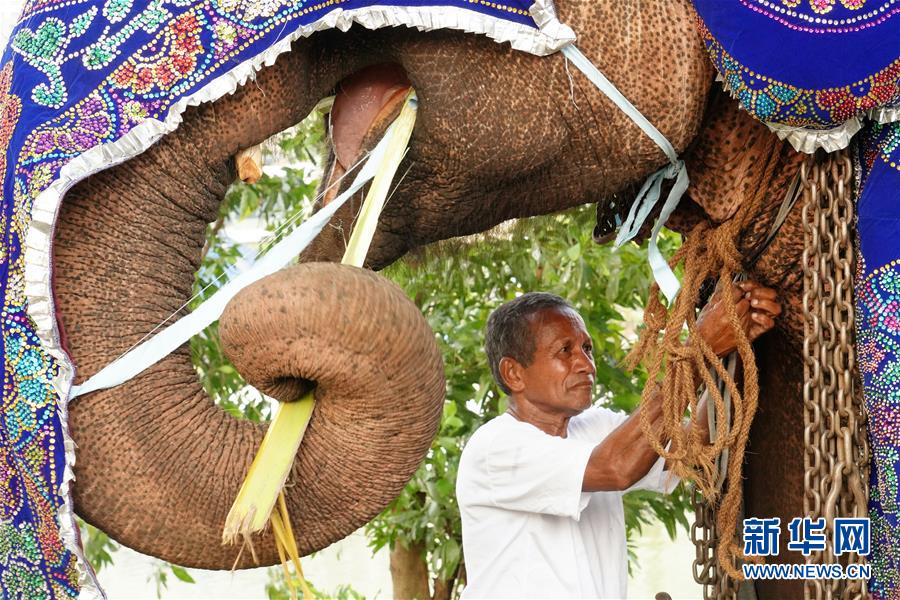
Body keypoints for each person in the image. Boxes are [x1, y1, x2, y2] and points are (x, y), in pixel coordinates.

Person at [456, 282, 781, 599]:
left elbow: (696, 448)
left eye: (586, 349)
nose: (586, 365)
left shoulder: (594, 427)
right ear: (514, 373)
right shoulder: (495, 448)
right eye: (565, 351)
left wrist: (734, 349)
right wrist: (698, 349)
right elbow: (616, 467)